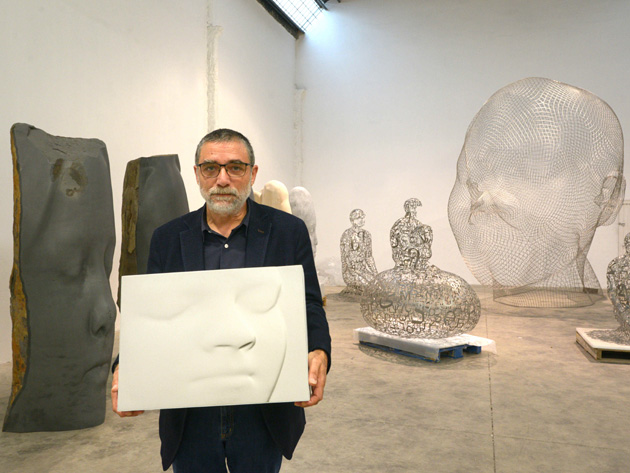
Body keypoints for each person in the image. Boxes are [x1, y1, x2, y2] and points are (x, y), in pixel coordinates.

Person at [111, 128, 331, 472]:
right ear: (198, 173)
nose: (223, 179)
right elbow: (151, 315)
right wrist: (126, 366)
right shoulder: (168, 238)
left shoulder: (288, 232)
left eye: (235, 168)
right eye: (211, 168)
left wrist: (318, 349)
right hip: (191, 413)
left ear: (252, 173)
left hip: (262, 409)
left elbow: (308, 302)